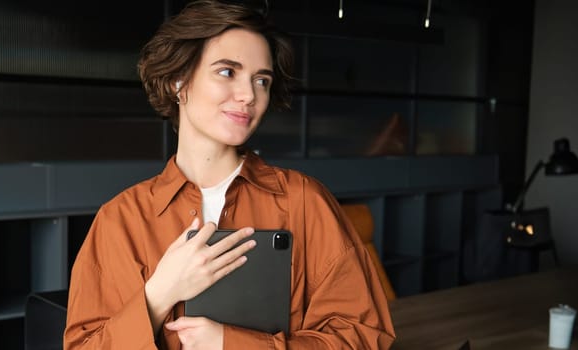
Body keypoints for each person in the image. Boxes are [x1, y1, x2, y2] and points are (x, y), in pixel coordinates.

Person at [64, 1, 395, 349]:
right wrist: (159, 295)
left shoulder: (304, 201)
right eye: (227, 72)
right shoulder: (120, 220)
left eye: (261, 80)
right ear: (178, 80)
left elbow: (362, 336)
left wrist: (229, 343)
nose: (249, 95)